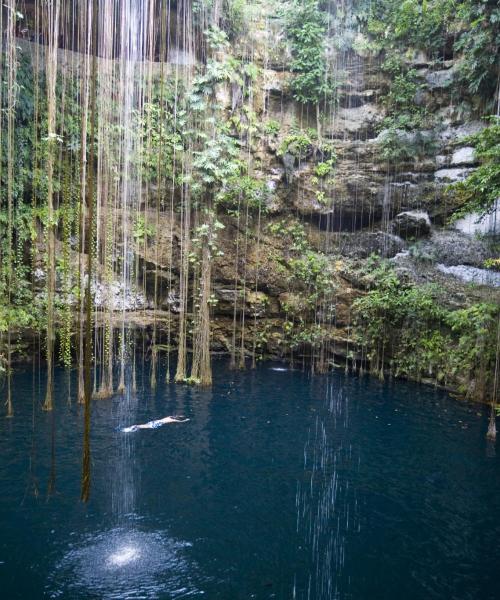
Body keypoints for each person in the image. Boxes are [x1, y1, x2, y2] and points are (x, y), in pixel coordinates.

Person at [122, 415, 189, 433]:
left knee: (142, 426)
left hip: (155, 422)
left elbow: (177, 416)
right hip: (156, 424)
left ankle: (131, 429)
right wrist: (185, 420)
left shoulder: (169, 416)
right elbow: (179, 421)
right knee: (142, 426)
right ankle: (129, 429)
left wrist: (180, 416)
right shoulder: (172, 419)